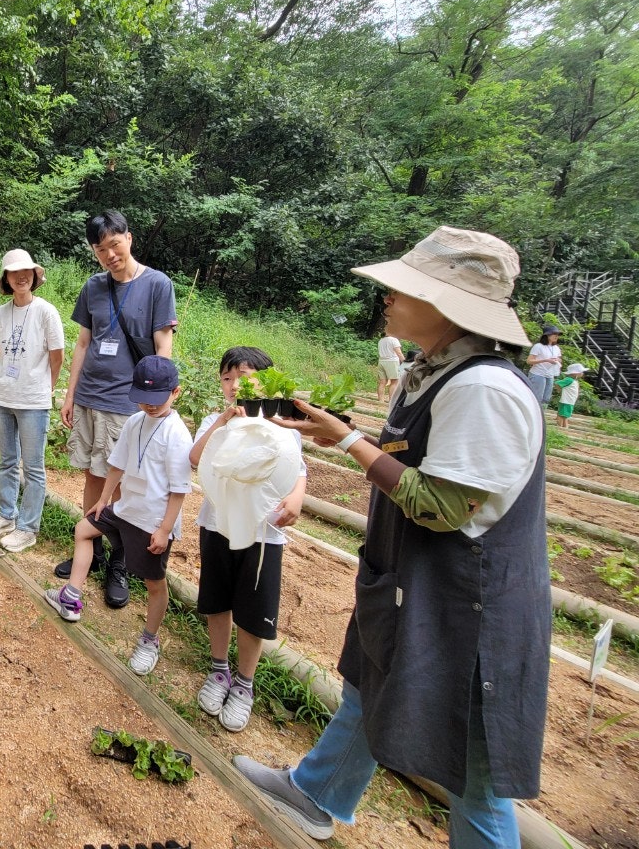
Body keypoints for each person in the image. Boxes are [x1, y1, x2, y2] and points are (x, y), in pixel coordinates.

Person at [235, 226, 549, 849]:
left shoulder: (483, 389)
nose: (388, 296)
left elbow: (440, 505)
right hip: (417, 585)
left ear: (445, 307)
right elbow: (422, 463)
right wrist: (348, 436)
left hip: (470, 607)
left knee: (474, 774)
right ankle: (319, 792)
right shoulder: (434, 371)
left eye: (403, 289)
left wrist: (352, 444)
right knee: (371, 684)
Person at [55, 211, 178, 610]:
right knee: (92, 474)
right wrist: (69, 393)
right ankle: (90, 548)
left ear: (129, 238)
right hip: (89, 396)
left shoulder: (157, 284)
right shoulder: (93, 287)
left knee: (121, 482)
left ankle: (119, 563)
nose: (109, 254)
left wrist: (159, 401)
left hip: (127, 402)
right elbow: (83, 343)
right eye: (100, 248)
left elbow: (163, 348)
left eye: (114, 244)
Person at [45, 356, 192, 676]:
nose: (149, 406)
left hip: (152, 520)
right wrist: (102, 500)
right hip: (124, 509)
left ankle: (149, 640)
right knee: (83, 529)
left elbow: (179, 489)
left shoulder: (177, 434)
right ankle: (71, 597)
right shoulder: (134, 422)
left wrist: (165, 529)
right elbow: (117, 464)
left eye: (157, 400)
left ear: (176, 393)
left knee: (154, 583)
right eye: (143, 398)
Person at [189, 346, 306, 733]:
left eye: (243, 376)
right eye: (227, 377)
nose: (234, 384)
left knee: (253, 612)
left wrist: (297, 496)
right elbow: (195, 457)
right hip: (217, 525)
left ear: (267, 381)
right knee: (217, 600)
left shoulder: (282, 424)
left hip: (264, 533)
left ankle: (244, 683)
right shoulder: (215, 420)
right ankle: (219, 669)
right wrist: (222, 421)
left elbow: (297, 468)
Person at [0, 249, 65, 553]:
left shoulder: (46, 311)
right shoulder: (0, 313)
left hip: (33, 400)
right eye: (14, 272)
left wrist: (44, 387)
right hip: (2, 396)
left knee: (33, 467)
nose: (21, 276)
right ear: (6, 278)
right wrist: (11, 378)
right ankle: (7, 514)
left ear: (34, 275)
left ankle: (28, 528)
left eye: (26, 271)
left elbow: (57, 357)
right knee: (6, 461)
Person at [526, 325, 562, 406]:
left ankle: (542, 416)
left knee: (546, 399)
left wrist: (557, 360)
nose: (556, 336)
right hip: (538, 374)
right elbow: (529, 361)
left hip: (550, 375)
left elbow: (560, 359)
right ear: (547, 335)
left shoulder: (556, 348)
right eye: (554, 334)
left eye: (558, 334)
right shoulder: (538, 346)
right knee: (537, 397)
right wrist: (545, 360)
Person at [555, 363, 586, 429]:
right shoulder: (569, 380)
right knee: (563, 414)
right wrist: (560, 391)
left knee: (566, 414)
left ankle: (564, 426)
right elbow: (557, 383)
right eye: (581, 372)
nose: (582, 373)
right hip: (566, 401)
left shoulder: (574, 381)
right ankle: (560, 426)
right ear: (575, 373)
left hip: (569, 401)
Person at [375, 333, 404, 402]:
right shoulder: (394, 340)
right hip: (392, 362)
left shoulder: (381, 340)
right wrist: (405, 361)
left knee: (382, 382)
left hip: (381, 361)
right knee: (394, 382)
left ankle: (381, 400)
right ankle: (391, 401)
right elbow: (399, 353)